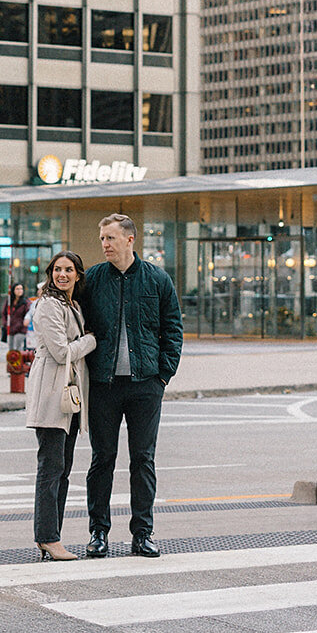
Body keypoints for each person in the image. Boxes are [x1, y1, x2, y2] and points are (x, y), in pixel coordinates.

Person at [80, 213, 183, 559]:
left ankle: (143, 533)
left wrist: (163, 374)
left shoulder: (156, 279)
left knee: (143, 460)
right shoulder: (93, 278)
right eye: (102, 239)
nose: (105, 245)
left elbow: (173, 329)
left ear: (129, 240)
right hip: (104, 385)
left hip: (145, 384)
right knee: (102, 459)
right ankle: (98, 532)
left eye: (110, 238)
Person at [24, 251, 96, 561]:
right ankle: (48, 538)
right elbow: (60, 351)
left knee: (62, 470)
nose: (61, 274)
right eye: (57, 269)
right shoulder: (49, 305)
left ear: (78, 275)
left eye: (68, 270)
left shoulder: (72, 305)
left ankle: (52, 536)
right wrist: (92, 340)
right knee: (51, 469)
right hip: (52, 393)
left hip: (67, 395)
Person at [2, 281, 30, 349]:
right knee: (10, 349)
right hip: (10, 329)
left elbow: (27, 315)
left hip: (20, 329)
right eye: (17, 289)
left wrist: (22, 325)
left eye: (21, 289)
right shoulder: (9, 302)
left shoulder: (25, 303)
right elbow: (4, 313)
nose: (20, 291)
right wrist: (5, 324)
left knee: (17, 348)